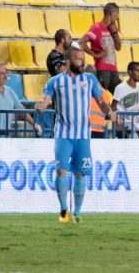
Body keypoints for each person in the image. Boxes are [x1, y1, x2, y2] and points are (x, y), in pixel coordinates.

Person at [35, 47, 115, 223]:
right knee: (61, 171)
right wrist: (41, 105)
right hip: (63, 134)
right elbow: (46, 99)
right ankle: (64, 209)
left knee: (80, 174)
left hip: (83, 136)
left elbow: (101, 101)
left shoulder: (90, 79)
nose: (83, 62)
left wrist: (109, 111)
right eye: (79, 59)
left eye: (83, 58)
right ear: (69, 61)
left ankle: (77, 212)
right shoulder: (56, 81)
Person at [0, 64, 40, 137]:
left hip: (4, 135)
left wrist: (35, 125)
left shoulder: (9, 90)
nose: (5, 76)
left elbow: (21, 109)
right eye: (2, 73)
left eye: (6, 73)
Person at [79, 2, 122, 94]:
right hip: (102, 69)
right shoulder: (97, 27)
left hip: (113, 69)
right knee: (100, 96)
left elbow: (118, 47)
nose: (117, 17)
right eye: (117, 13)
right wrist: (94, 54)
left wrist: (115, 33)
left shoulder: (112, 28)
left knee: (121, 95)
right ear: (111, 13)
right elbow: (81, 42)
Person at [111, 62, 139, 138]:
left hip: (137, 121)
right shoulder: (120, 88)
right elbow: (112, 108)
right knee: (134, 140)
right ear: (130, 72)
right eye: (137, 71)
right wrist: (116, 124)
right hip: (125, 123)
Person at [83, 65, 113, 139]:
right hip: (99, 131)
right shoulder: (104, 92)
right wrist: (102, 124)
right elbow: (108, 114)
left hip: (83, 130)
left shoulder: (81, 90)